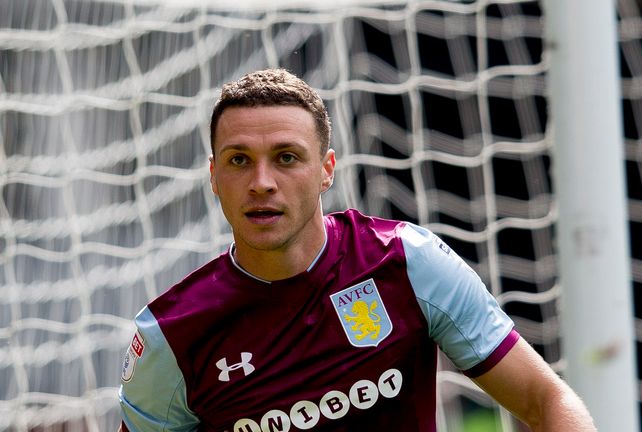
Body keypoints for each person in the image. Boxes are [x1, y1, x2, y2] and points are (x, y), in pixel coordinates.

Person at [117, 68, 596, 432]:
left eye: (286, 158)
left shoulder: (406, 261)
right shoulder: (170, 336)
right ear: (214, 176)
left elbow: (546, 399)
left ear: (326, 169)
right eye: (239, 161)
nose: (262, 183)